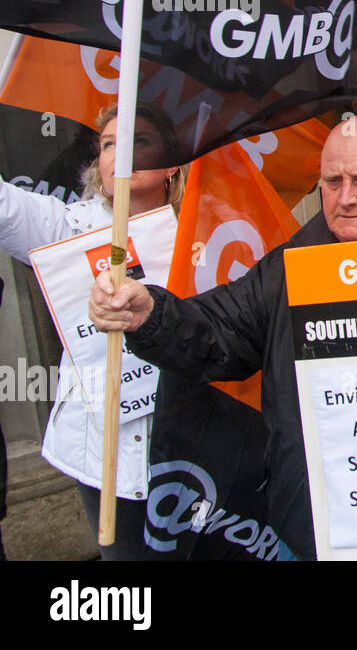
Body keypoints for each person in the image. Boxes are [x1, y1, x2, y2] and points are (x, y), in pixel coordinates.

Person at [89, 114, 357, 561]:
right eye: (332, 181)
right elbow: (215, 336)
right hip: (309, 537)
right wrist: (149, 314)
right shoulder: (289, 271)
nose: (345, 198)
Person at [0, 105, 183, 559]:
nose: (121, 153)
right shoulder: (68, 228)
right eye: (108, 144)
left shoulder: (209, 229)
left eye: (139, 140)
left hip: (194, 447)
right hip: (106, 463)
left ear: (173, 162)